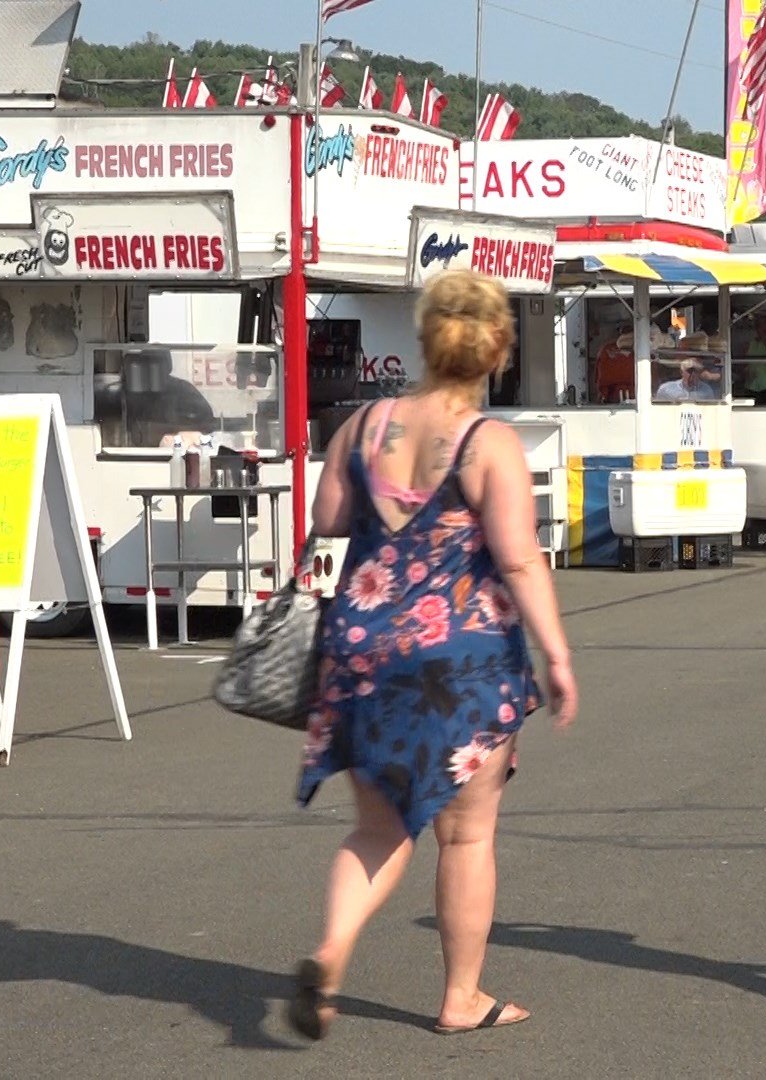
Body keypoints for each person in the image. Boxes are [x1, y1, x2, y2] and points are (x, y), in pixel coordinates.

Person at [291, 269, 579, 1041]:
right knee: (467, 833)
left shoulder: (365, 423)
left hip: (361, 648)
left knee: (378, 830)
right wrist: (556, 657)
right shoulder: (489, 444)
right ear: (496, 353)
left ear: (424, 342)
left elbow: (328, 517)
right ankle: (460, 996)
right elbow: (519, 559)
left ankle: (329, 953)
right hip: (461, 661)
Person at [655, 359, 721, 402]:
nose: (693, 374)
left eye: (696, 371)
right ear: (681, 372)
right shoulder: (666, 389)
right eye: (689, 371)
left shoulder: (706, 390)